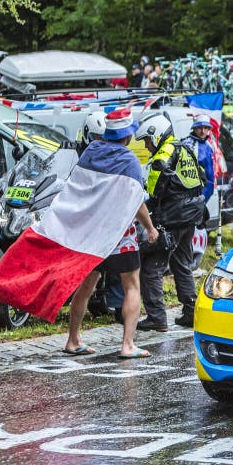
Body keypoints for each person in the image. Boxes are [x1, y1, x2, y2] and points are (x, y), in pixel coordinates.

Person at [65, 109, 159, 358]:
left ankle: (73, 340)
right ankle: (127, 345)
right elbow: (137, 201)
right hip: (120, 235)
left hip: (92, 235)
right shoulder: (129, 161)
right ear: (127, 137)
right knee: (132, 286)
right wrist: (150, 228)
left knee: (85, 286)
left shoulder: (91, 152)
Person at [135, 112, 206, 330]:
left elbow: (153, 194)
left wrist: (150, 219)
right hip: (191, 217)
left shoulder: (161, 157)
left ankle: (157, 318)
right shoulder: (185, 149)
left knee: (151, 268)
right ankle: (191, 312)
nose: (147, 146)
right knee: (181, 264)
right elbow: (201, 178)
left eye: (147, 140)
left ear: (156, 136)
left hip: (172, 219)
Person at [182, 115, 215, 204]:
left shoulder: (209, 144)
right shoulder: (187, 144)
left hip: (208, 188)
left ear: (208, 129)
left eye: (205, 128)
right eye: (200, 128)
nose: (202, 131)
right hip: (194, 190)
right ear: (194, 128)